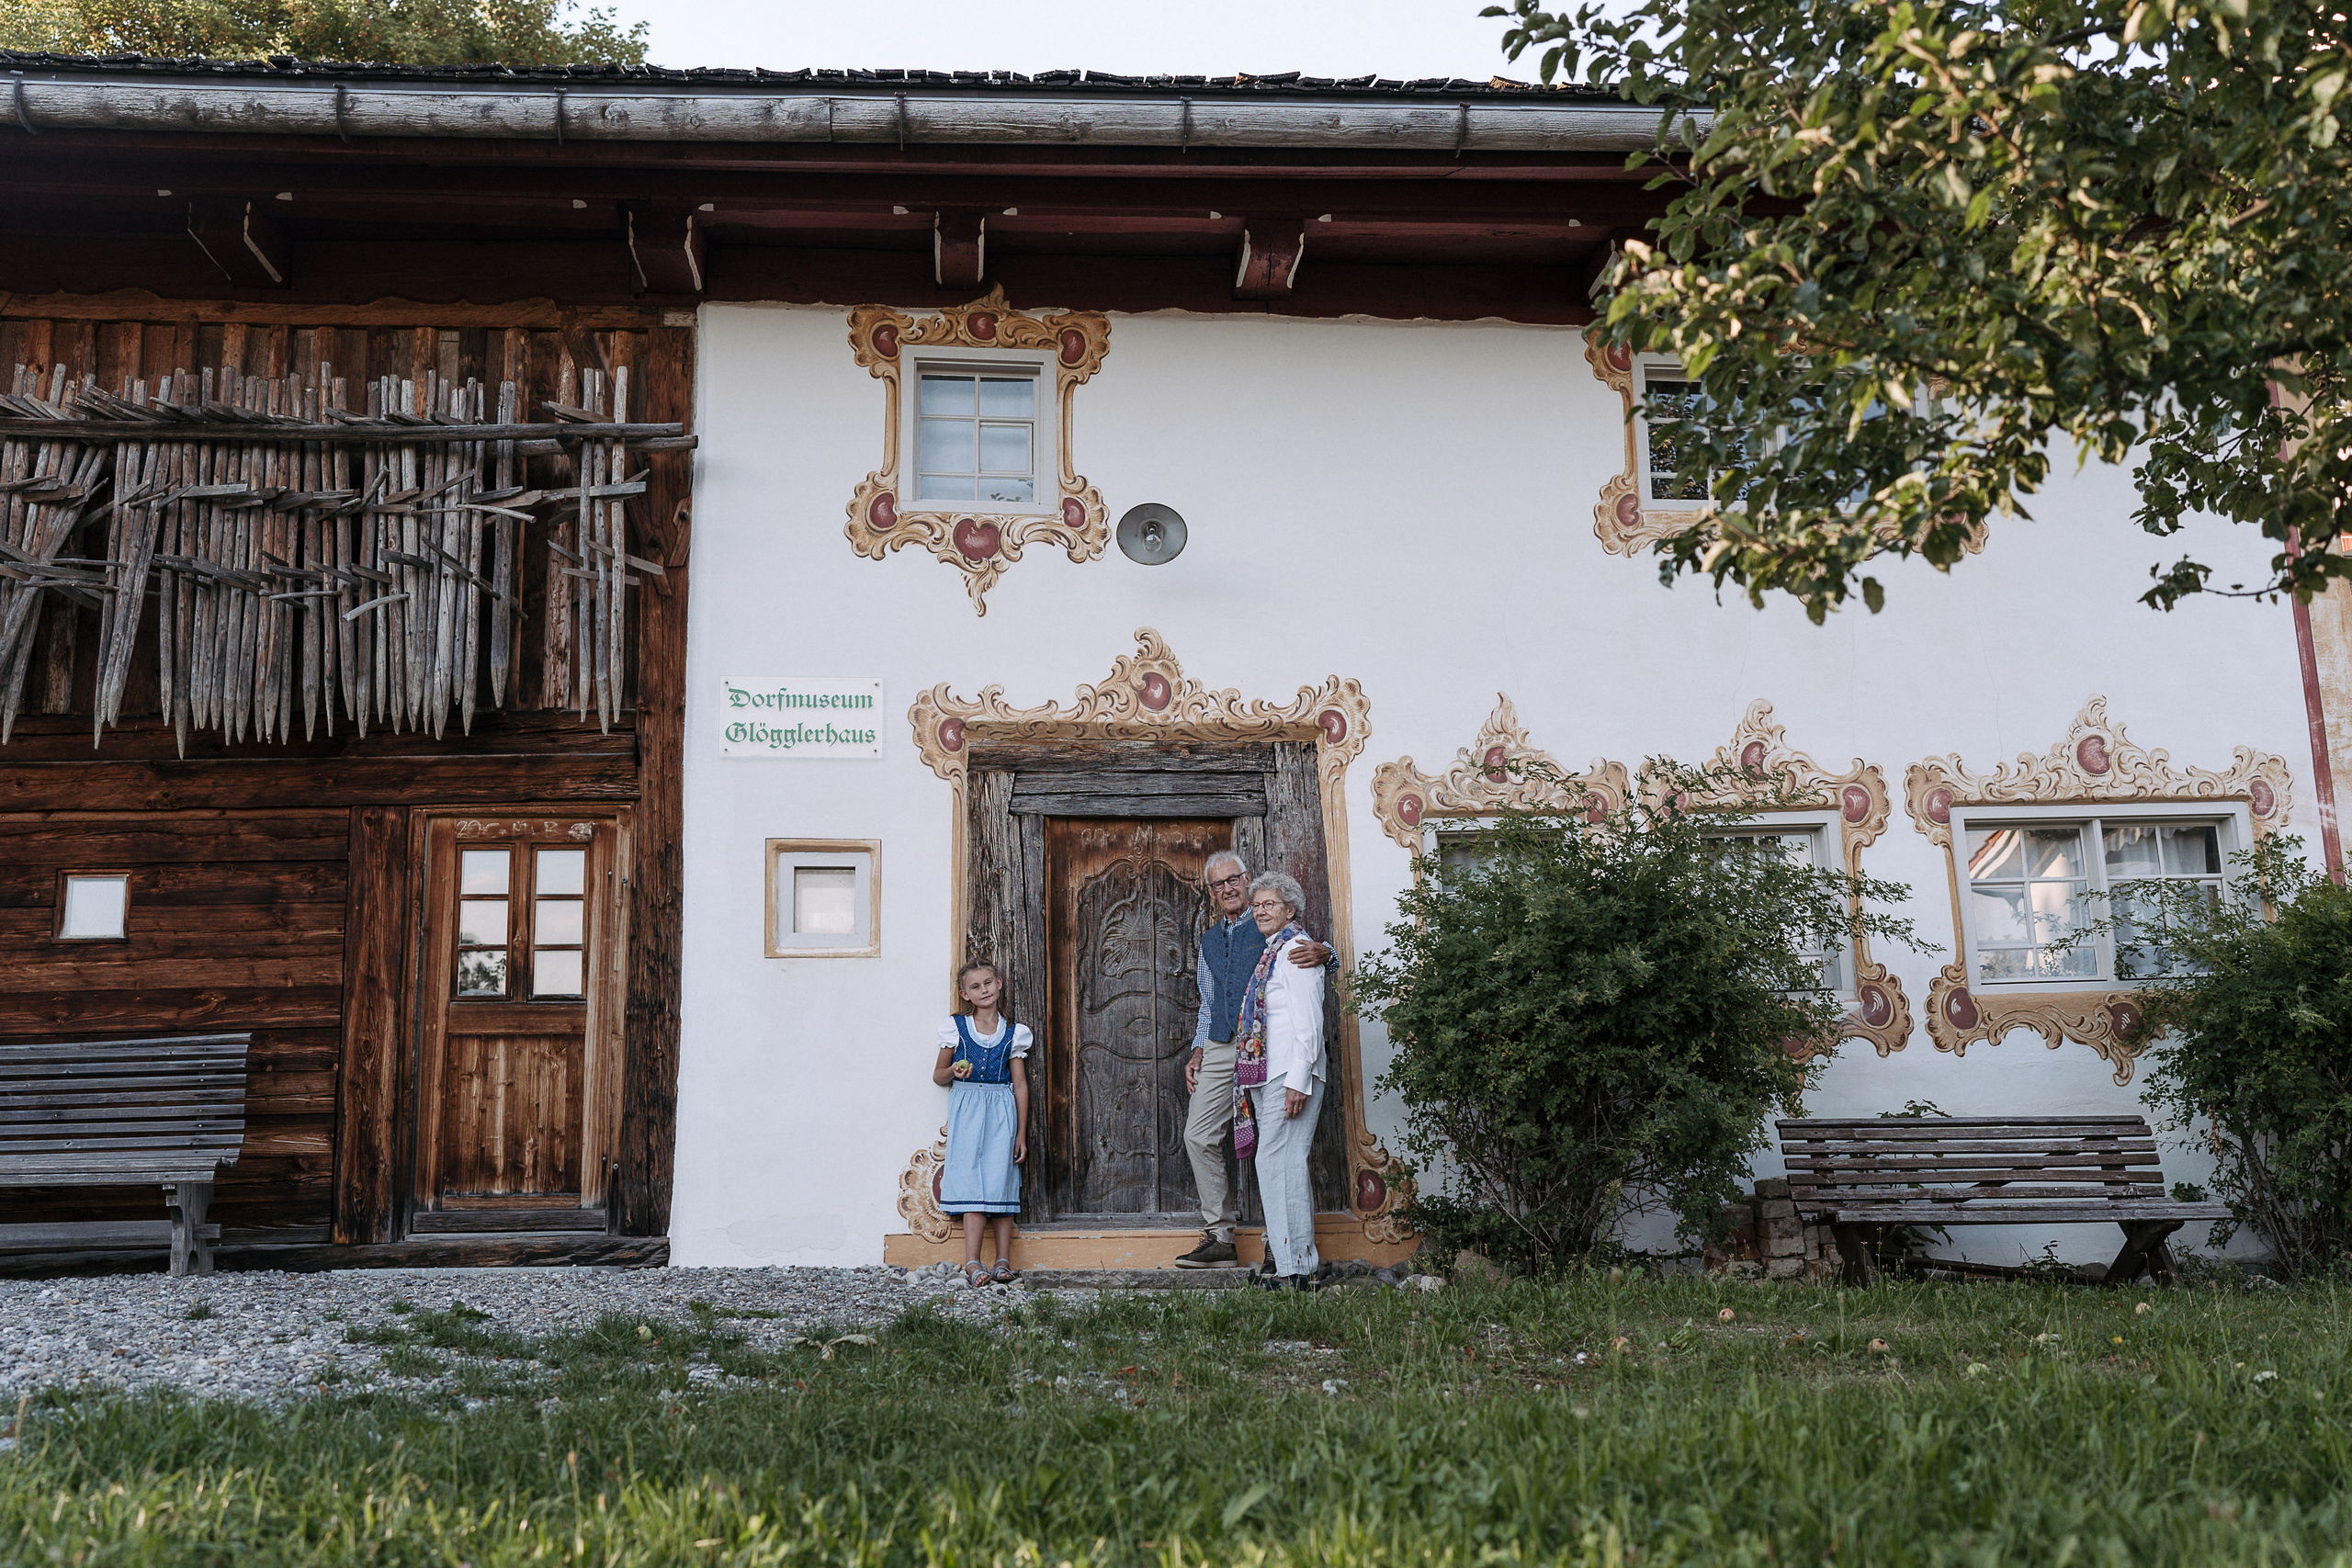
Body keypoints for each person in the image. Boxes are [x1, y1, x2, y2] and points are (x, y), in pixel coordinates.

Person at [1174, 850, 1333, 1269]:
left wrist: (1328, 953)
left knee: (1275, 1146)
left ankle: (1275, 1243)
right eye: (1217, 884)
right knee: (1197, 1134)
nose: (1227, 889)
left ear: (1247, 879)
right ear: (1210, 891)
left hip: (1268, 1047)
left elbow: (1303, 953)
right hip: (1224, 1044)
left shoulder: (1269, 926)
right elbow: (1208, 1001)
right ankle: (1220, 1235)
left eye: (1233, 880)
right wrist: (1198, 1048)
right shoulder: (1209, 938)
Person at [1233, 870, 1326, 1290]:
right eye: (1256, 906)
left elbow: (1309, 1022)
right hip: (1279, 1074)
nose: (1260, 911)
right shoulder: (1276, 951)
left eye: (1269, 904)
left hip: (1292, 1072)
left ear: (1291, 908)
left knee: (1278, 1164)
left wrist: (1298, 1080)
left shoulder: (1297, 952)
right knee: (1280, 1165)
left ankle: (1295, 1270)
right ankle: (1295, 1269)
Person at [932, 959, 1030, 1287]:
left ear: (999, 984)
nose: (984, 990)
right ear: (965, 994)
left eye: (988, 983)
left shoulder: (1014, 1033)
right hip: (968, 1108)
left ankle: (1003, 1260)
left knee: (1001, 1178)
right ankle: (972, 1262)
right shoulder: (957, 1028)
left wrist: (1021, 1133)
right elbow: (938, 1075)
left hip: (1001, 1109)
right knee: (972, 1182)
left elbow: (1020, 1084)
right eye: (976, 986)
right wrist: (954, 1072)